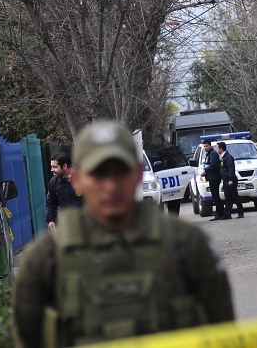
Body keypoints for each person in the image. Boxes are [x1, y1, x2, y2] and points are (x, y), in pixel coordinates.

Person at [12, 120, 234, 347]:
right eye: (98, 173)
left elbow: (223, 331)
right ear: (77, 179)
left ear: (138, 173)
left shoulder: (188, 245)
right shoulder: (43, 261)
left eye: (120, 171)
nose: (111, 185)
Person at [45, 152, 83, 229]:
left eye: (55, 167)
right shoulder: (54, 182)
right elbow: (51, 202)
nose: (52, 170)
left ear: (65, 166)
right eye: (51, 167)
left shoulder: (83, 178)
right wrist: (51, 220)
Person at [216, 141, 244, 219]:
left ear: (221, 149)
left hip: (230, 180)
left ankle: (241, 213)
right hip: (225, 180)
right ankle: (227, 214)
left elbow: (231, 169)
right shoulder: (223, 157)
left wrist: (231, 179)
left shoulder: (228, 157)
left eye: (217, 148)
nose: (216, 149)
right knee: (228, 198)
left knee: (235, 197)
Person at [200, 139, 225, 221]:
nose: (205, 148)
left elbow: (213, 166)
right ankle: (219, 214)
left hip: (214, 177)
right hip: (211, 177)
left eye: (206, 146)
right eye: (204, 146)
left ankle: (220, 214)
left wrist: (205, 171)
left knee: (216, 196)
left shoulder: (213, 154)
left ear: (210, 145)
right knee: (215, 196)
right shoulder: (208, 154)